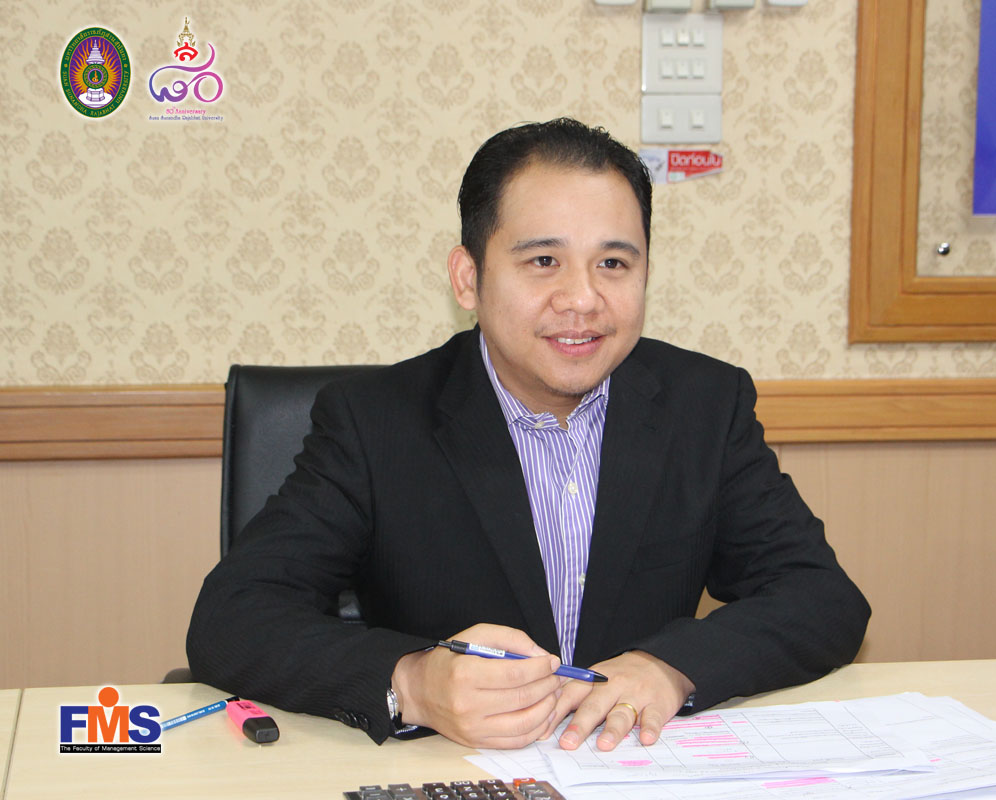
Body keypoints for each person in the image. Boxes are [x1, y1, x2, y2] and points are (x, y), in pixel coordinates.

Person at [186, 117, 870, 751]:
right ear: (468, 279)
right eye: (543, 261)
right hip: (449, 773)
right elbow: (233, 615)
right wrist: (413, 683)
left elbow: (821, 597)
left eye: (614, 264)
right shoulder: (375, 421)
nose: (582, 299)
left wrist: (670, 666)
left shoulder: (704, 406)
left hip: (634, 769)